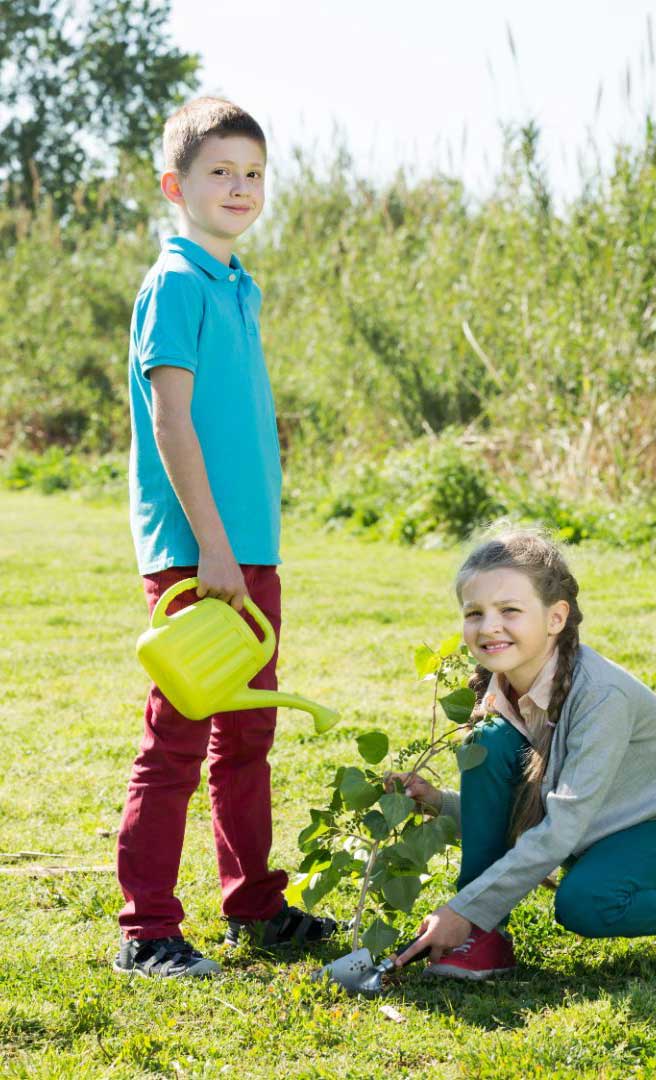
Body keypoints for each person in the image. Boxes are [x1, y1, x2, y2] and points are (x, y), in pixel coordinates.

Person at [114, 97, 336, 978]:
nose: (240, 187)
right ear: (176, 185)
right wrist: (210, 547)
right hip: (195, 551)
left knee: (245, 736)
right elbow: (171, 422)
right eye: (220, 172)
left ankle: (254, 906)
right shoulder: (174, 282)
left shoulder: (237, 283)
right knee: (177, 738)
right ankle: (147, 930)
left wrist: (245, 546)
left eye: (253, 173)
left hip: (247, 551)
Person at [394, 528, 656, 980]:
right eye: (475, 612)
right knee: (484, 743)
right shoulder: (500, 691)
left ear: (556, 618)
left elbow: (563, 824)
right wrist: (440, 803)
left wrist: (462, 910)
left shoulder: (602, 696)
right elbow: (514, 810)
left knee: (586, 905)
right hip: (589, 824)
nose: (489, 626)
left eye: (510, 610)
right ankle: (487, 939)